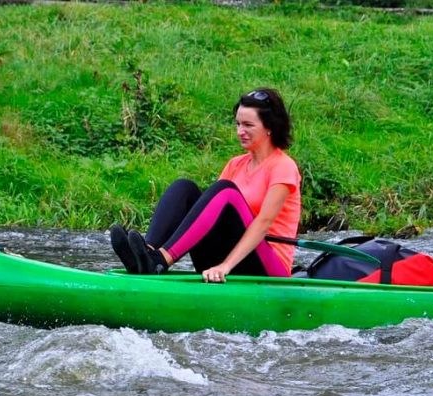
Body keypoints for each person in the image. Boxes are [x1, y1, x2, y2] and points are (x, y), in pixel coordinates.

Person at [108, 88, 301, 283]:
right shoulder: (235, 164)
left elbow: (263, 223)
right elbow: (212, 215)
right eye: (238, 124)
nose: (239, 131)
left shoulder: (283, 166)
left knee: (226, 191)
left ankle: (162, 259)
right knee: (184, 188)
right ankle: (147, 255)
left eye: (248, 125)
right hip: (229, 256)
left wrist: (226, 266)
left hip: (269, 270)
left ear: (270, 127)